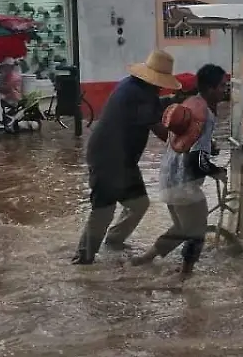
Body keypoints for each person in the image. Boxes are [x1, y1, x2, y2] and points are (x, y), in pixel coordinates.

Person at [73, 50, 180, 265]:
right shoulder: (141, 95)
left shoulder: (131, 85)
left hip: (122, 159)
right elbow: (160, 130)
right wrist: (185, 141)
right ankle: (83, 258)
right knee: (103, 209)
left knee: (139, 203)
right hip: (108, 158)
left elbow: (156, 108)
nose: (160, 88)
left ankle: (113, 241)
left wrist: (174, 103)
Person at [132, 64, 228, 276]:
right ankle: (185, 275)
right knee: (196, 230)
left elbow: (187, 143)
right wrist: (217, 171)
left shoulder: (190, 104)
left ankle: (146, 259)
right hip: (184, 185)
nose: (225, 89)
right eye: (222, 86)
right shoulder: (206, 116)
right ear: (211, 89)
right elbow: (197, 162)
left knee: (182, 228)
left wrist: (208, 147)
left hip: (167, 179)